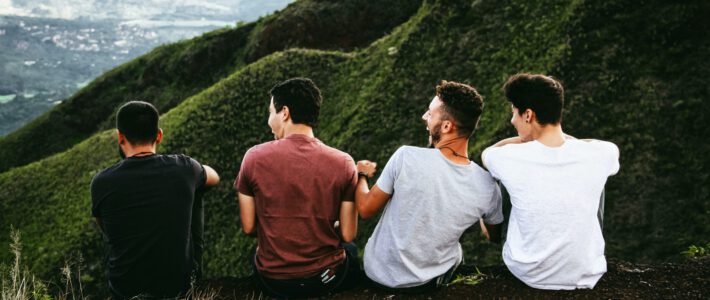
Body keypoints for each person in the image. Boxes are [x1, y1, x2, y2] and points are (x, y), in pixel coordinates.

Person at [355, 80, 503, 292]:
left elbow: (365, 209)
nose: (424, 117)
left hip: (378, 275)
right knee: (457, 252)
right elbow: (493, 236)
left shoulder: (405, 156)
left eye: (430, 113)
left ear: (446, 126)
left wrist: (361, 174)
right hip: (428, 283)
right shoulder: (487, 186)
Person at [482, 73, 620, 290]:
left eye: (514, 114)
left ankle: (496, 237)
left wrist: (524, 140)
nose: (512, 121)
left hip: (528, 271)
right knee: (594, 179)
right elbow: (599, 146)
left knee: (502, 180)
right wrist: (565, 141)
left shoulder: (505, 157)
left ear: (528, 115)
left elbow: (488, 153)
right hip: (586, 272)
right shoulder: (603, 153)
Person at [235, 78, 361, 298]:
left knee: (256, 258)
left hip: (273, 281)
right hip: (325, 279)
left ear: (284, 112)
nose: (269, 121)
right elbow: (348, 233)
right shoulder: (344, 162)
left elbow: (249, 227)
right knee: (351, 251)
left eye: (270, 113)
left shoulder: (253, 157)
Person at [91, 101, 220, 299]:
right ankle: (194, 280)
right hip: (176, 289)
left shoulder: (101, 182)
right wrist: (193, 171)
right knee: (197, 189)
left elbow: (107, 229)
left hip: (124, 291)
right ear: (159, 135)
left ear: (120, 137)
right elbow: (214, 177)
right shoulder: (184, 168)